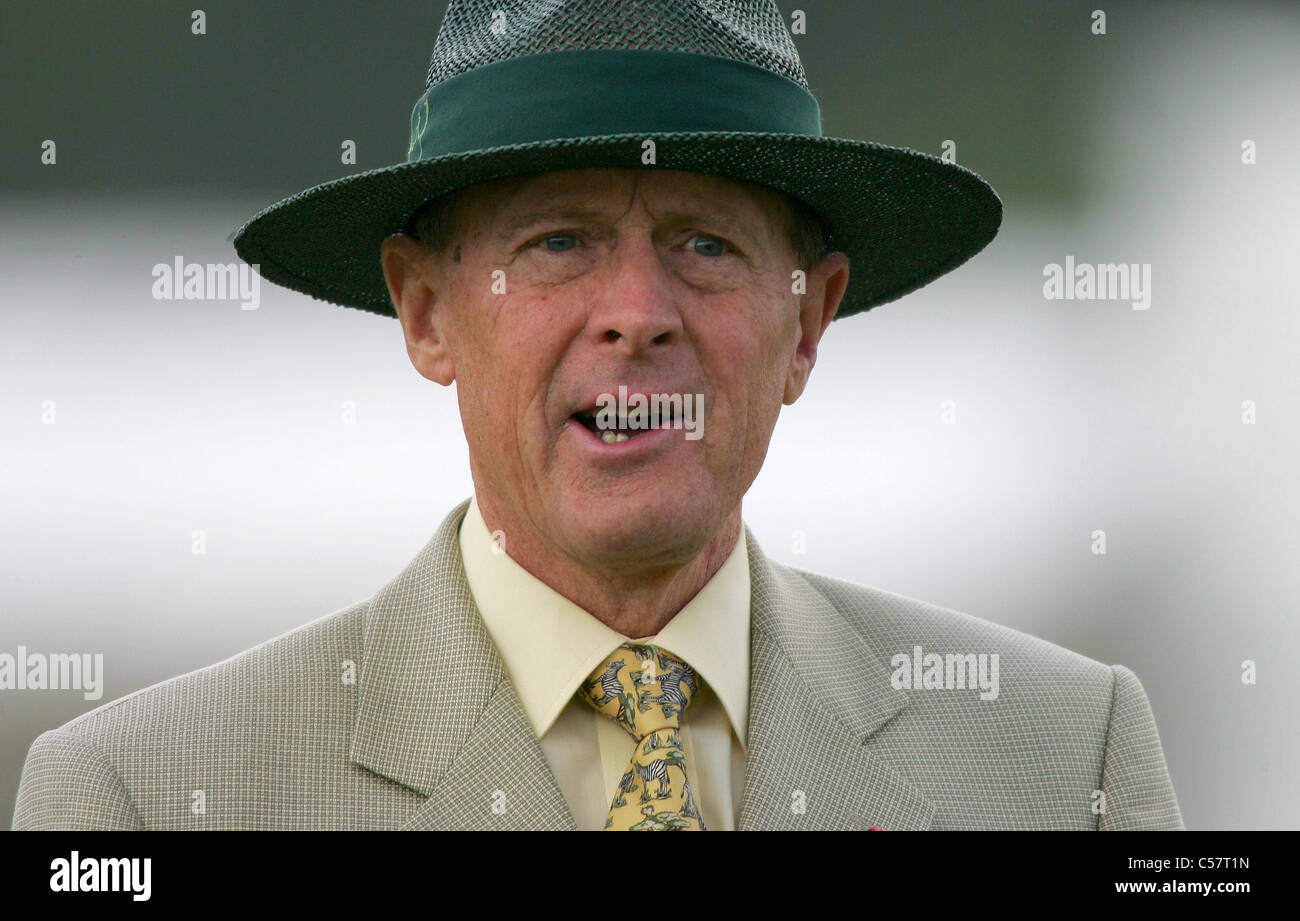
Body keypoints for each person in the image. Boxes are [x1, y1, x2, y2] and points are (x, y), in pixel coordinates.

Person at [12, 0, 1181, 830]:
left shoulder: (1064, 762)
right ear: (426, 314)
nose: (636, 313)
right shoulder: (146, 802)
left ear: (808, 324)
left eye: (705, 244)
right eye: (559, 241)